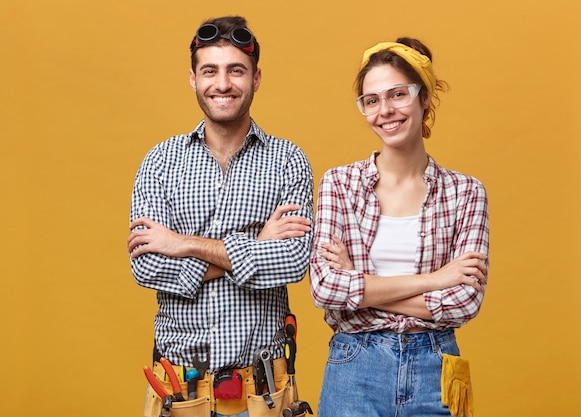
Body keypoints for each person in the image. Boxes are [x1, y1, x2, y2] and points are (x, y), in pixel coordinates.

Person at [127, 16, 313, 417]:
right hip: (180, 395)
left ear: (256, 78)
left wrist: (184, 244)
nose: (223, 84)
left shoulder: (288, 161)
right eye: (209, 70)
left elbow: (295, 260)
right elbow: (147, 267)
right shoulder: (160, 162)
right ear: (193, 78)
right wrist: (258, 246)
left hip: (264, 393)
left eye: (236, 71)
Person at [309, 37, 489, 417]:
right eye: (371, 100)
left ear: (424, 98)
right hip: (355, 364)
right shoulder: (339, 184)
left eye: (397, 95)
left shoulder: (466, 192)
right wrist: (435, 279)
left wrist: (358, 283)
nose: (385, 111)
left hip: (435, 366)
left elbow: (464, 303)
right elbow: (325, 287)